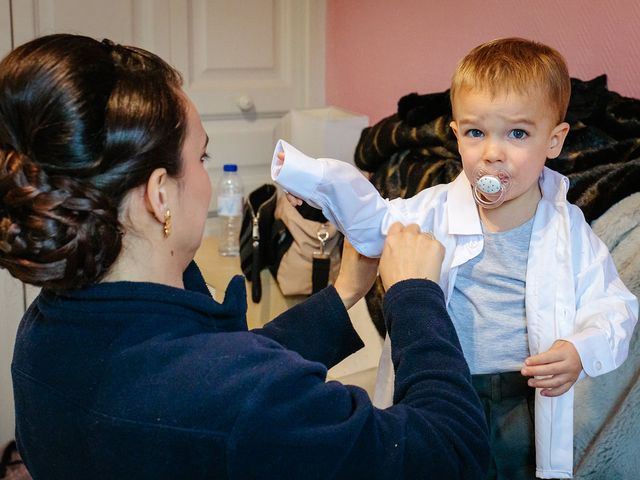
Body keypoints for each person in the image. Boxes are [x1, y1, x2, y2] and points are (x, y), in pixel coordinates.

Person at [0, 34, 490, 479]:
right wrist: (415, 297)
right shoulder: (237, 401)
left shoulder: (43, 330)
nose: (207, 179)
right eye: (201, 158)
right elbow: (453, 453)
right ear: (159, 195)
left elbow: (221, 366)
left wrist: (344, 293)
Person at [271, 37, 639, 479]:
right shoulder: (432, 209)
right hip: (442, 385)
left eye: (517, 134)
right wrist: (319, 186)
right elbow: (371, 221)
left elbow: (615, 308)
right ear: (456, 134)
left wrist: (581, 350)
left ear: (555, 140)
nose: (492, 153)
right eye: (475, 132)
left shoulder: (569, 230)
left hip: (520, 396)